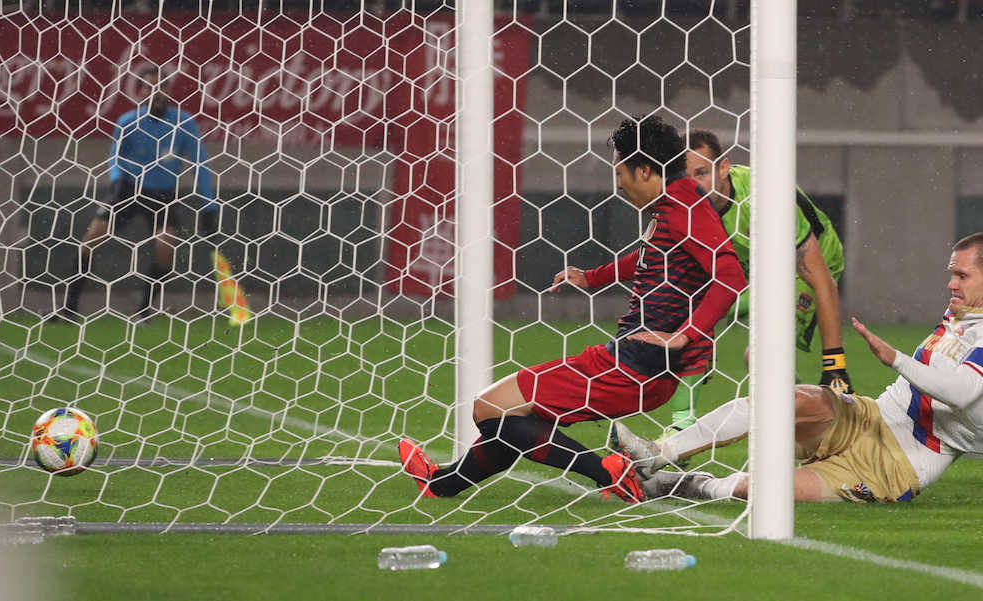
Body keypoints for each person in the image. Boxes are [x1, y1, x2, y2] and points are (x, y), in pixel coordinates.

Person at [397, 115, 746, 503]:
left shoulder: (684, 206)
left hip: (633, 366)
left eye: (621, 173)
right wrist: (592, 277)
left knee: (489, 409)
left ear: (645, 170)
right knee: (513, 416)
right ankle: (442, 484)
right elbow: (652, 257)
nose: (619, 184)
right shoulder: (677, 200)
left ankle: (607, 474)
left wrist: (685, 335)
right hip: (635, 362)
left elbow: (730, 275)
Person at [613, 232, 983, 503]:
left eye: (962, 276)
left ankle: (680, 486)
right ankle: (656, 454)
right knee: (781, 400)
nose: (950, 284)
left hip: (898, 465)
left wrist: (896, 359)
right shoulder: (961, 312)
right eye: (951, 273)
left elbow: (964, 393)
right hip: (870, 416)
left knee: (767, 493)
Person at [656, 130, 852, 437]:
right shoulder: (684, 204)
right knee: (688, 322)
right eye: (685, 176)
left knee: (758, 357)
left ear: (723, 168)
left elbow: (822, 281)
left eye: (702, 173)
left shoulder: (765, 198)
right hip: (751, 270)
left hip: (801, 269)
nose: (693, 185)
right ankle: (681, 427)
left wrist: (835, 365)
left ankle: (796, 422)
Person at [50, 66, 218, 323]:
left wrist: (209, 205)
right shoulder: (128, 121)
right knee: (90, 241)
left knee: (165, 248)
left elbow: (199, 163)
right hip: (128, 189)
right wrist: (117, 180)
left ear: (169, 91)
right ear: (140, 91)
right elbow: (115, 157)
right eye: (150, 87)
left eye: (161, 87)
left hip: (163, 195)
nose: (156, 92)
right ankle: (69, 310)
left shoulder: (184, 122)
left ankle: (143, 312)